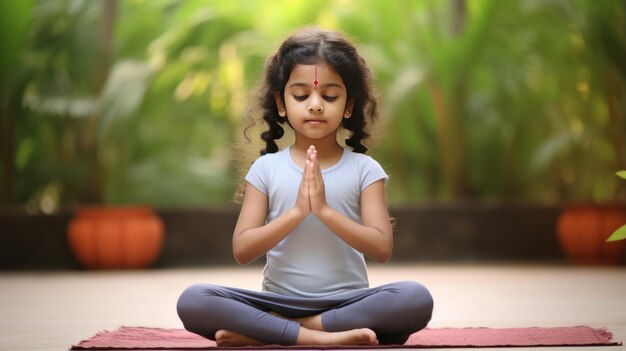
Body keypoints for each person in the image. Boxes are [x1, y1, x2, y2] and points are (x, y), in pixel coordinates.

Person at [176, 27, 433, 347]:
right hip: (278, 302)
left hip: (348, 304)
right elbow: (242, 250)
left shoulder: (365, 170)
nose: (315, 105)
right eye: (301, 95)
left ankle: (278, 331)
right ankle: (319, 337)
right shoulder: (265, 169)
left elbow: (381, 248)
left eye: (329, 96)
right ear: (281, 103)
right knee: (194, 300)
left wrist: (324, 211)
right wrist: (298, 212)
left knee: (414, 298)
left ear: (348, 105)